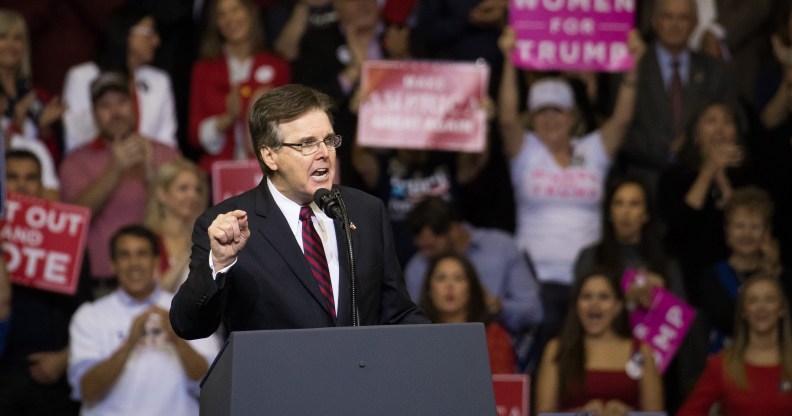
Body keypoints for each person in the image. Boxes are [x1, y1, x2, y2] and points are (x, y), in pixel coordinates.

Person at [170, 84, 428, 339]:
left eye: (329, 140)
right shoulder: (227, 225)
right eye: (307, 144)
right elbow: (189, 325)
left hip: (358, 376)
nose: (324, 153)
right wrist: (219, 264)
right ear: (270, 156)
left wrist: (446, 348)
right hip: (279, 378)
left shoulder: (366, 211)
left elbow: (396, 313)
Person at [497, 26, 644, 352]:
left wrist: (632, 64)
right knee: (545, 347)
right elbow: (506, 119)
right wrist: (509, 59)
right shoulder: (526, 152)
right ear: (532, 118)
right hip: (535, 278)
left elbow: (621, 120)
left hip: (588, 277)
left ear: (573, 115)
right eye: (542, 112)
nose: (550, 119)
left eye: (557, 111)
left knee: (587, 352)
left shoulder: (591, 151)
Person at [68, 225, 220, 416]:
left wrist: (177, 338)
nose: (134, 263)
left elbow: (212, 385)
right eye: (124, 255)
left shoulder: (187, 310)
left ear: (156, 261)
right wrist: (129, 343)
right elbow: (87, 391)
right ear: (112, 264)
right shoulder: (89, 316)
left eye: (142, 254)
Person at [59, 71, 181, 285]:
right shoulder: (75, 162)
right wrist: (114, 170)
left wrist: (151, 174)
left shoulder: (165, 154)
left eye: (122, 102)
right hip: (102, 282)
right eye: (105, 106)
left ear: (134, 106)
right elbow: (74, 221)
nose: (115, 112)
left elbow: (188, 211)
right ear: (94, 114)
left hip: (166, 280)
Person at [0, 149, 91, 415]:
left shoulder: (68, 237)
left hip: (53, 376)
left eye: (30, 178)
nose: (21, 185)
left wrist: (66, 357)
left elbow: (85, 310)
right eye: (12, 177)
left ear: (42, 185)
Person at [620, 0, 739, 193]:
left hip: (702, 184)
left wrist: (691, 154)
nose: (675, 25)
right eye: (668, 17)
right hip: (645, 186)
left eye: (683, 18)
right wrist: (667, 151)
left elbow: (732, 123)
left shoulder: (716, 70)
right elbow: (621, 128)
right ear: (655, 21)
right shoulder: (631, 68)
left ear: (695, 23)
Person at [658, 100, 755, 303]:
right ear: (695, 134)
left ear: (737, 134)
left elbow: (748, 222)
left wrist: (722, 180)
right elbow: (679, 224)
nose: (719, 129)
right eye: (710, 121)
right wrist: (709, 170)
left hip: (736, 273)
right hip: (688, 273)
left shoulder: (749, 175)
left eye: (727, 122)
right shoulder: (675, 175)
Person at [404, 196, 542, 334]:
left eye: (431, 246)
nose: (426, 255)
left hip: (499, 341)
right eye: (421, 248)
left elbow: (534, 311)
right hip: (437, 344)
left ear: (454, 230)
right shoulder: (416, 268)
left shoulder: (501, 248)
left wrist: (496, 306)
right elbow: (415, 327)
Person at [535, 271, 664, 414]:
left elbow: (655, 414)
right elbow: (543, 414)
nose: (594, 304)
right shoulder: (556, 349)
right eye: (586, 296)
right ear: (577, 305)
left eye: (604, 297)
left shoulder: (641, 351)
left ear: (618, 306)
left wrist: (629, 414)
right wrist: (583, 413)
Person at [189, 0, 291, 172]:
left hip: (267, 172)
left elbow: (289, 128)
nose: (230, 19)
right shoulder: (204, 69)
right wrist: (227, 118)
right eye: (221, 14)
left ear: (251, 13)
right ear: (216, 24)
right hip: (218, 172)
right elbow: (194, 135)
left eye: (235, 10)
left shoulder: (277, 66)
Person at [62, 5, 177, 154]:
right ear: (126, 34)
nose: (156, 41)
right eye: (150, 32)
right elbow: (76, 139)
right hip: (95, 168)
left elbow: (167, 144)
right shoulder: (82, 77)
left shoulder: (159, 82)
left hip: (150, 168)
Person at [678, 274, 792, 415]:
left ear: (781, 309)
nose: (761, 307)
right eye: (753, 301)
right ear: (744, 311)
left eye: (769, 299)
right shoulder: (722, 365)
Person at [698, 186, 788, 350]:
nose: (747, 233)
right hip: (726, 360)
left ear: (767, 232)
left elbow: (786, 320)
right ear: (727, 231)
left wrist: (772, 274)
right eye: (739, 226)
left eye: (754, 227)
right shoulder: (712, 275)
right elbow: (725, 319)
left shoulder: (780, 274)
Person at [418, 253, 516, 374]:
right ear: (429, 290)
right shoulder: (417, 338)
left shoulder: (493, 336)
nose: (449, 286)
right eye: (441, 278)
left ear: (471, 289)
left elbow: (505, 387)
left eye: (458, 278)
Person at [0, 9, 65, 163]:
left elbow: (52, 161)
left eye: (18, 38)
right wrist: (17, 124)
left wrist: (45, 130)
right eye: (2, 37)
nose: (11, 44)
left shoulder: (38, 96)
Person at [144, 158, 209, 293]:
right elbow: (154, 292)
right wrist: (189, 252)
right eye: (183, 188)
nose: (193, 195)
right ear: (161, 193)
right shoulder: (148, 240)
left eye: (197, 189)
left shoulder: (207, 236)